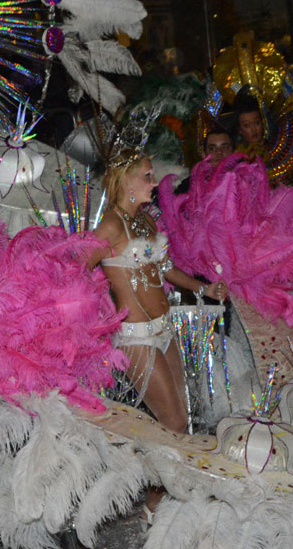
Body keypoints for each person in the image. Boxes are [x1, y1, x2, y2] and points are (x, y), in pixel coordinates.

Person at [93, 149, 228, 518]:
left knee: (181, 419)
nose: (155, 183)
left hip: (164, 331)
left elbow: (166, 269)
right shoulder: (110, 227)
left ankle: (168, 497)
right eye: (148, 176)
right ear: (125, 181)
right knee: (171, 422)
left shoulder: (144, 224)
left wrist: (203, 289)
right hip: (136, 337)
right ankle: (155, 507)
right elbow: (75, 269)